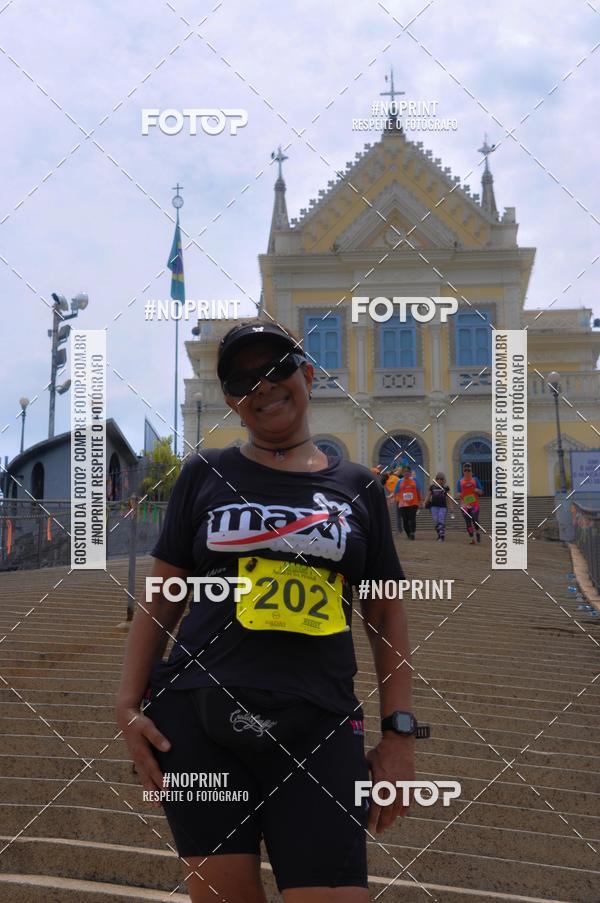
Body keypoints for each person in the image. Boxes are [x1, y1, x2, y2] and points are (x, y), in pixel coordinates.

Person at [116, 319, 426, 903]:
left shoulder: (360, 488)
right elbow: (163, 598)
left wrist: (399, 735)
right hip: (198, 719)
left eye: (278, 368)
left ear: (308, 375)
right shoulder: (205, 474)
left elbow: (385, 617)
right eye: (242, 379)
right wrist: (127, 706)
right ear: (232, 401)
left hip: (320, 721)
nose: (263, 386)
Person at [456, 462, 483, 544]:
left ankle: (477, 531)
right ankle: (472, 539)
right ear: (463, 471)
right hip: (464, 505)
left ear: (471, 471)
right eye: (465, 470)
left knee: (475, 520)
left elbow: (481, 492)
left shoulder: (475, 480)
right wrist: (460, 495)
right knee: (468, 523)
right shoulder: (459, 482)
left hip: (474, 504)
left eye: (469, 470)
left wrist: (477, 490)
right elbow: (457, 493)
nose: (467, 472)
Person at [393, 465, 421, 540]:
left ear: (410, 472)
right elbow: (395, 492)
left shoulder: (415, 480)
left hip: (413, 503)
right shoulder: (399, 481)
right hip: (403, 504)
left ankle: (412, 532)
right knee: (405, 520)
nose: (406, 473)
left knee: (412, 518)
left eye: (408, 471)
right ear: (402, 472)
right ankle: (408, 533)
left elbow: (418, 490)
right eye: (405, 471)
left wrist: (420, 501)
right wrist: (394, 499)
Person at [424, 473, 450, 541]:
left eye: (441, 479)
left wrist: (451, 506)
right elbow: (428, 495)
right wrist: (425, 502)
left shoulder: (446, 487)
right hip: (434, 506)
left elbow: (449, 498)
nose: (439, 480)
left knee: (441, 519)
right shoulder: (432, 487)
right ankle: (439, 534)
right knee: (436, 521)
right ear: (436, 479)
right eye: (438, 479)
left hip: (443, 506)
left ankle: (441, 536)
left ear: (443, 480)